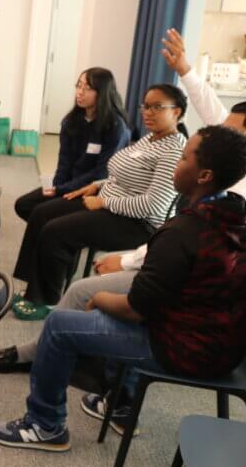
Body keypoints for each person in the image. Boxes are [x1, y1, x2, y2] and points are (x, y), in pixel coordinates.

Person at [0, 46, 246, 373]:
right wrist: (185, 69)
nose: (178, 163)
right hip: (195, 309)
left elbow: (143, 300)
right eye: (146, 106)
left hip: (184, 333)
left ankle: (62, 393)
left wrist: (122, 266)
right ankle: (79, 358)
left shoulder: (213, 213)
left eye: (186, 158)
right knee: (49, 220)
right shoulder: (227, 189)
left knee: (77, 295)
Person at [0, 125, 246, 451]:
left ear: (204, 176)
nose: (176, 163)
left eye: (184, 158)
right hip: (222, 337)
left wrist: (103, 300)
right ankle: (120, 402)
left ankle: (44, 425)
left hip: (188, 347)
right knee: (96, 295)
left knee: (62, 324)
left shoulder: (184, 231)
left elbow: (136, 309)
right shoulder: (236, 209)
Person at [11, 84, 188, 320]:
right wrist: (99, 184)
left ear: (176, 112)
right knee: (42, 213)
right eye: (145, 106)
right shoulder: (150, 139)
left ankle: (48, 300)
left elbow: (153, 205)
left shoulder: (173, 149)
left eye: (157, 107)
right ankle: (35, 286)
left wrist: (104, 202)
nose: (148, 112)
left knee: (56, 231)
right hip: (109, 200)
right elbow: (122, 174)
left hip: (137, 223)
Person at [13, 68, 131, 221]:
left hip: (94, 191)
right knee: (23, 205)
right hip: (68, 185)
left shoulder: (115, 126)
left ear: (102, 93)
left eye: (87, 88)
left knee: (42, 214)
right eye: (79, 85)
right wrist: (56, 187)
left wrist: (63, 190)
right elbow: (64, 161)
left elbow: (103, 172)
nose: (80, 92)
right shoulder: (71, 121)